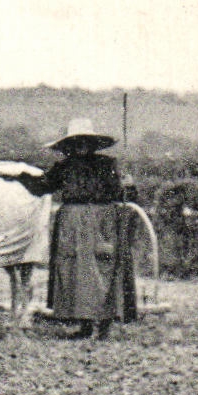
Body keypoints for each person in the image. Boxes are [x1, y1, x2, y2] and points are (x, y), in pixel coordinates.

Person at [19, 118, 137, 339]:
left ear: (92, 144)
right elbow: (41, 187)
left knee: (103, 268)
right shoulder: (63, 167)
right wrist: (16, 177)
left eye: (85, 142)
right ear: (69, 146)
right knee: (73, 270)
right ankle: (83, 325)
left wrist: (128, 186)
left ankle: (103, 325)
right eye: (76, 142)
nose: (81, 146)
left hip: (103, 221)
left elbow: (127, 197)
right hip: (71, 223)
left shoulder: (108, 165)